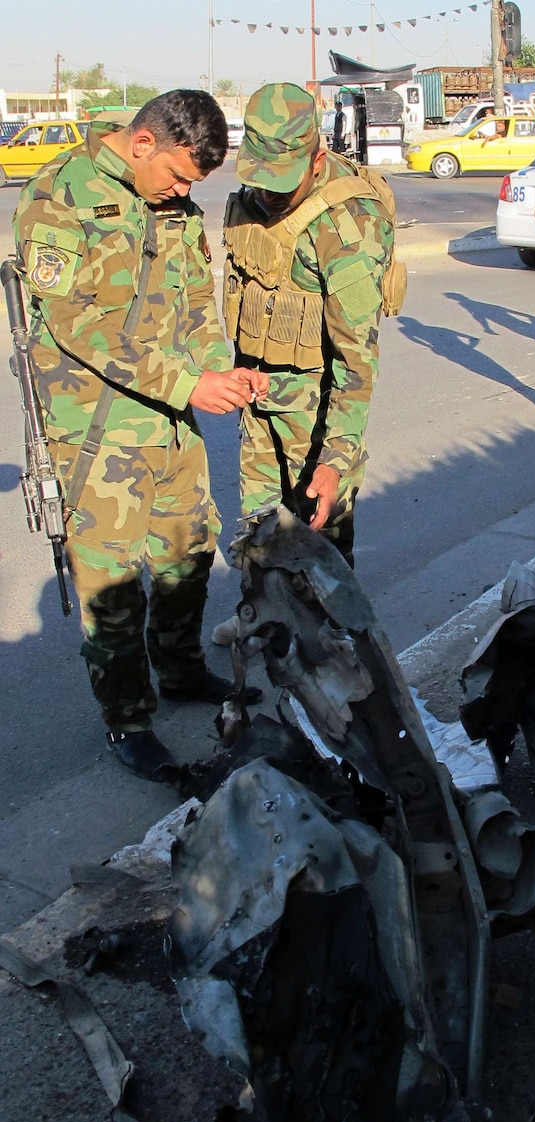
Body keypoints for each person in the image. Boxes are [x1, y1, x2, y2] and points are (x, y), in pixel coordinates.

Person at [13, 90, 267, 779]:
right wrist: (189, 385)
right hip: (95, 423)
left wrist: (220, 368)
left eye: (195, 185)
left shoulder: (177, 206)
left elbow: (193, 302)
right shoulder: (59, 195)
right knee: (114, 583)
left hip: (167, 415)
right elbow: (77, 324)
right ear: (143, 143)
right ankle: (127, 720)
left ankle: (181, 670)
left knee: (188, 550)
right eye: (180, 177)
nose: (185, 192)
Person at [218, 82, 394, 574]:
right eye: (260, 179)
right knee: (259, 537)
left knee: (323, 562)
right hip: (257, 405)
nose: (269, 194)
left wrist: (335, 459)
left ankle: (333, 646)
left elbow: (357, 364)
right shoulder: (250, 204)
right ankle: (264, 635)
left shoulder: (347, 228)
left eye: (282, 182)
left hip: (319, 419)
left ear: (316, 162)